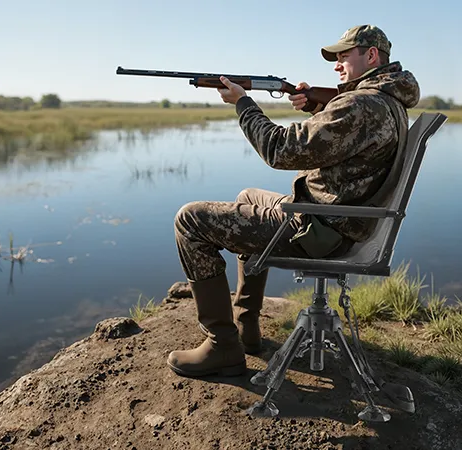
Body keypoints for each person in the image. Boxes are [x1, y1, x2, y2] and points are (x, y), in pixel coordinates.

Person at [167, 24, 420, 378]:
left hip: (319, 230)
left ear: (372, 55)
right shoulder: (387, 100)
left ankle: (222, 346)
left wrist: (243, 103)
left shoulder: (360, 105)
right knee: (247, 197)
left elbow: (279, 150)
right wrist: (316, 108)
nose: (337, 65)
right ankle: (246, 325)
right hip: (338, 219)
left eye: (344, 56)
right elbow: (346, 140)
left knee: (190, 220)